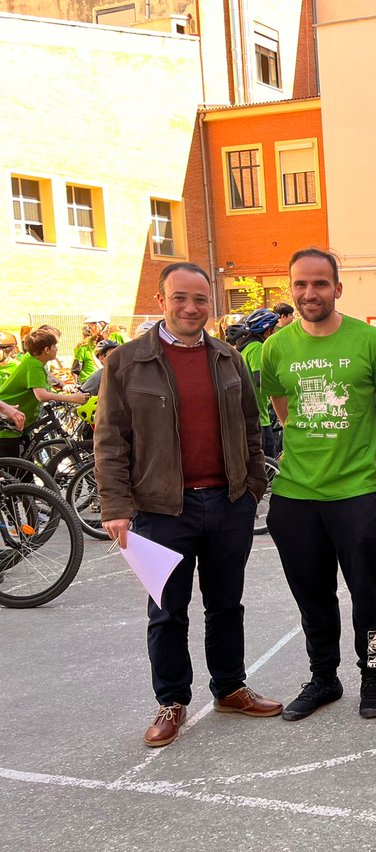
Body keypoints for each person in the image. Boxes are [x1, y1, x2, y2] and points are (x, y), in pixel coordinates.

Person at [94, 261, 279, 748]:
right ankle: (172, 701)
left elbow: (249, 426)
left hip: (228, 503)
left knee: (225, 605)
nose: (191, 307)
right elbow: (111, 440)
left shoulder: (228, 358)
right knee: (167, 611)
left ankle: (230, 688)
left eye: (200, 299)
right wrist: (116, 506)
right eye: (181, 297)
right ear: (162, 300)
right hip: (160, 511)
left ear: (210, 304)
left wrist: (252, 487)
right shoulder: (126, 362)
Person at [261, 248, 376, 721]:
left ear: (337, 288)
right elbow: (285, 413)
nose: (309, 293)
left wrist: (369, 457)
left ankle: (372, 676)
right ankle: (324, 677)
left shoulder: (370, 342)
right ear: (291, 289)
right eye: (300, 284)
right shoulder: (276, 347)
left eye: (320, 284)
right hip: (295, 496)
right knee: (312, 594)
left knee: (367, 591)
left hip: (356, 494)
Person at [0, 329, 89, 457]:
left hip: (19, 424)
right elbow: (41, 395)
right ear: (47, 349)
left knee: (24, 470)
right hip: (8, 424)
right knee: (13, 472)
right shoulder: (34, 365)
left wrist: (63, 387)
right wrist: (72, 398)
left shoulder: (34, 363)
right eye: (55, 346)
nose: (57, 349)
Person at [234, 308, 282, 458]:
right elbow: (260, 379)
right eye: (274, 330)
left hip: (251, 410)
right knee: (267, 457)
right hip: (258, 414)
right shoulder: (257, 348)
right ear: (268, 332)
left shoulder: (245, 347)